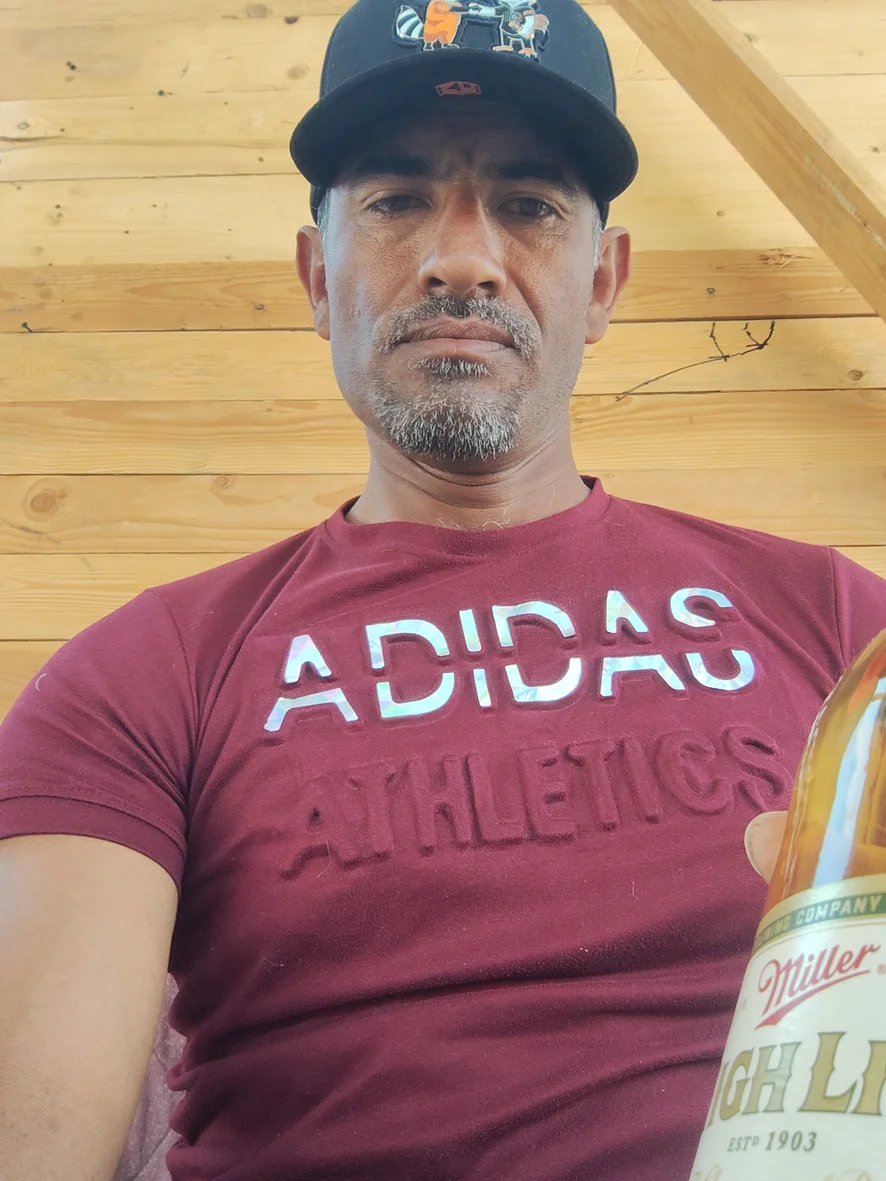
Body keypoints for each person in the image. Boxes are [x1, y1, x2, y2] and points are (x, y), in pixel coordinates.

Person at [1, 0, 884, 1178]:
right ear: (317, 277)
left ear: (604, 282)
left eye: (528, 205)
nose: (460, 259)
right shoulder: (140, 675)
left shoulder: (841, 626)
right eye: (394, 200)